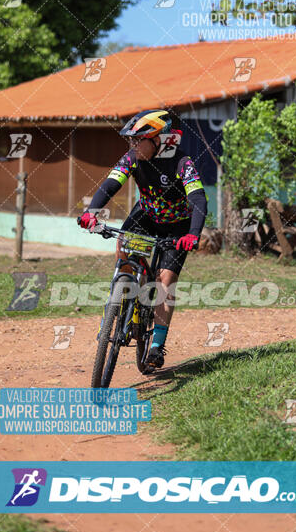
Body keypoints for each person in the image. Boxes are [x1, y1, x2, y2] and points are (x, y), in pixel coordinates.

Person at [79, 109, 207, 369]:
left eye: (138, 141)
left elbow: (198, 199)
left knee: (165, 282)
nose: (133, 145)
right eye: (131, 141)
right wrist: (91, 213)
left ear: (158, 139)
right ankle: (116, 305)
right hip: (146, 216)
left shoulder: (182, 162)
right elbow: (110, 184)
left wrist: (192, 234)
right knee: (123, 245)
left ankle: (157, 346)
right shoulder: (132, 159)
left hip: (177, 226)